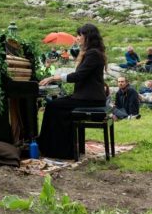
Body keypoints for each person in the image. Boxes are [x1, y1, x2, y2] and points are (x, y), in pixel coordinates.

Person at [38, 23, 108, 159]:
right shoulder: (93, 53)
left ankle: (57, 150)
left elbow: (78, 76)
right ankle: (51, 147)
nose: (77, 38)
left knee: (53, 106)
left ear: (87, 37)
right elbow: (81, 74)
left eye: (79, 35)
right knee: (55, 106)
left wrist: (54, 78)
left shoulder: (93, 54)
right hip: (88, 97)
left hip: (90, 99)